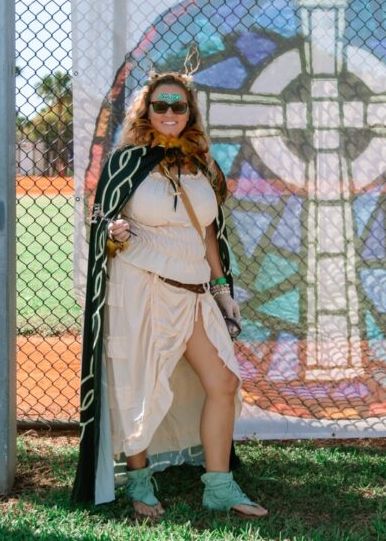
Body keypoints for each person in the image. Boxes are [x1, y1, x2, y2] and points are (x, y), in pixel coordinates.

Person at [71, 71, 268, 520]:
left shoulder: (202, 164)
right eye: (160, 105)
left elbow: (209, 232)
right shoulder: (125, 163)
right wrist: (113, 232)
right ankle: (139, 481)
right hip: (142, 287)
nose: (169, 113)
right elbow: (101, 222)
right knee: (140, 386)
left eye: (178, 105)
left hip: (194, 291)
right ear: (146, 111)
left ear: (189, 112)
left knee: (223, 382)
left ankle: (218, 486)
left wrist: (222, 290)